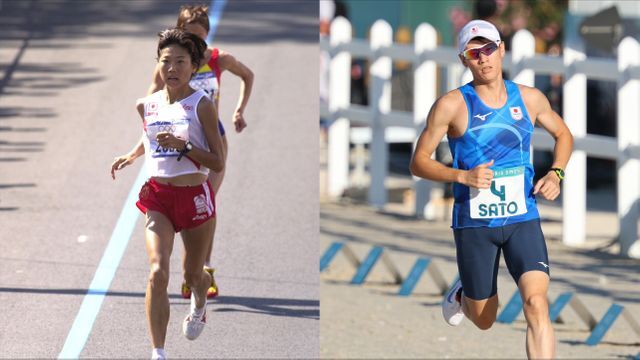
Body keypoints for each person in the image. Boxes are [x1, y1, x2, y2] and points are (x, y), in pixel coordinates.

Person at [410, 20, 573, 359]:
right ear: (463, 60)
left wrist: (556, 173)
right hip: (474, 224)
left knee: (536, 302)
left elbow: (564, 134)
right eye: (474, 52)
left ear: (501, 50)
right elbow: (418, 162)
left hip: (521, 218)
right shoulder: (451, 105)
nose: (483, 58)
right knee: (484, 320)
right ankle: (464, 293)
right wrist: (462, 177)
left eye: (488, 49)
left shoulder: (529, 98)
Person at [113, 4, 255, 300]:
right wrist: (135, 152)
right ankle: (189, 272)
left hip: (211, 141)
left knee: (206, 202)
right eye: (190, 36)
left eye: (201, 37)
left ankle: (204, 267)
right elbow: (154, 116)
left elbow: (248, 75)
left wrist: (239, 109)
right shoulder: (168, 65)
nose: (196, 44)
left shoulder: (219, 59)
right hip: (173, 139)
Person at [111, 28, 225, 360]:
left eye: (180, 62)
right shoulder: (146, 105)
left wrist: (186, 147)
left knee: (192, 275)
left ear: (193, 67)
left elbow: (217, 160)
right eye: (166, 61)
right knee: (157, 271)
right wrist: (132, 155)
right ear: (158, 65)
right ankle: (158, 353)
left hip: (194, 197)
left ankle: (200, 301)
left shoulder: (201, 105)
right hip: (159, 196)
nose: (172, 68)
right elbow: (150, 137)